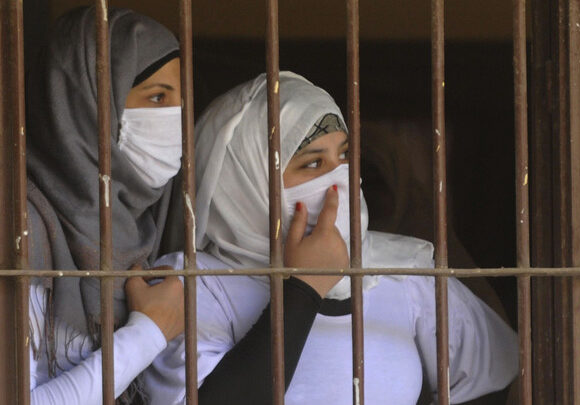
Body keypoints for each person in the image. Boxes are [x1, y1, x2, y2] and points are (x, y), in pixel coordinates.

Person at [144, 72, 518, 405]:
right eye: (312, 163)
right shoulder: (195, 284)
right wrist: (304, 287)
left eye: (345, 156)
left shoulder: (401, 272)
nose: (341, 179)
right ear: (244, 183)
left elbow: (495, 377)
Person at [25, 7, 186, 404]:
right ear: (88, 103)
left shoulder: (146, 226)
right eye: (158, 97)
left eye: (181, 101)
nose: (175, 118)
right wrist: (148, 333)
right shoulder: (22, 226)